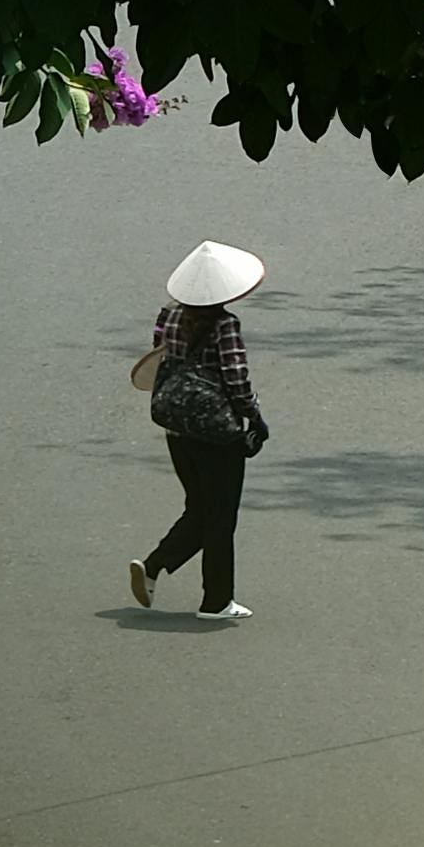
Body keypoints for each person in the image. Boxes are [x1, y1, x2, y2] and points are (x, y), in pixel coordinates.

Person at [127, 240, 269, 622]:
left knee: (201, 506)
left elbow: (157, 356)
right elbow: (236, 379)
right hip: (217, 433)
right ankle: (216, 602)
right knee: (221, 516)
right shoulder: (225, 325)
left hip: (179, 428)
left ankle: (155, 566)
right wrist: (254, 418)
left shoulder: (168, 316)